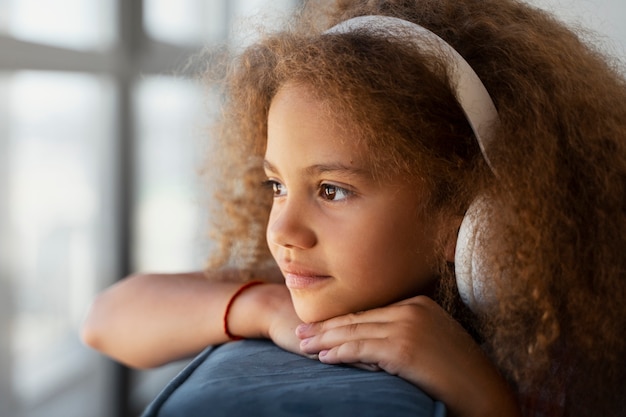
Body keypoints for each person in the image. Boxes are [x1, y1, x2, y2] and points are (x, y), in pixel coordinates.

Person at [81, 0, 626, 416]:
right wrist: (266, 310)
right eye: (277, 186)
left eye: (332, 190)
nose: (285, 230)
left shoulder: (571, 351)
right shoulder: (316, 277)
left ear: (474, 218)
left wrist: (483, 398)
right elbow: (106, 318)